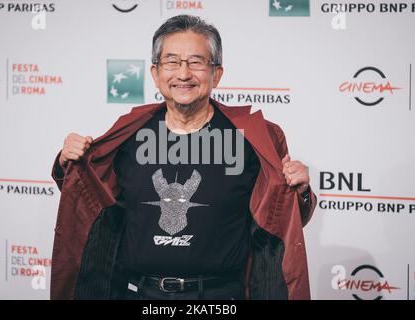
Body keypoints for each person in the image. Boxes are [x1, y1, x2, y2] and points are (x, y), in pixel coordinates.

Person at [51, 15, 316, 300]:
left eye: (196, 62)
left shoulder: (252, 138)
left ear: (216, 74)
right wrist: (67, 163)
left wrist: (299, 191)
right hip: (140, 295)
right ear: (155, 73)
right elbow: (93, 200)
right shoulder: (128, 134)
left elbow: (280, 219)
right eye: (172, 62)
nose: (184, 74)